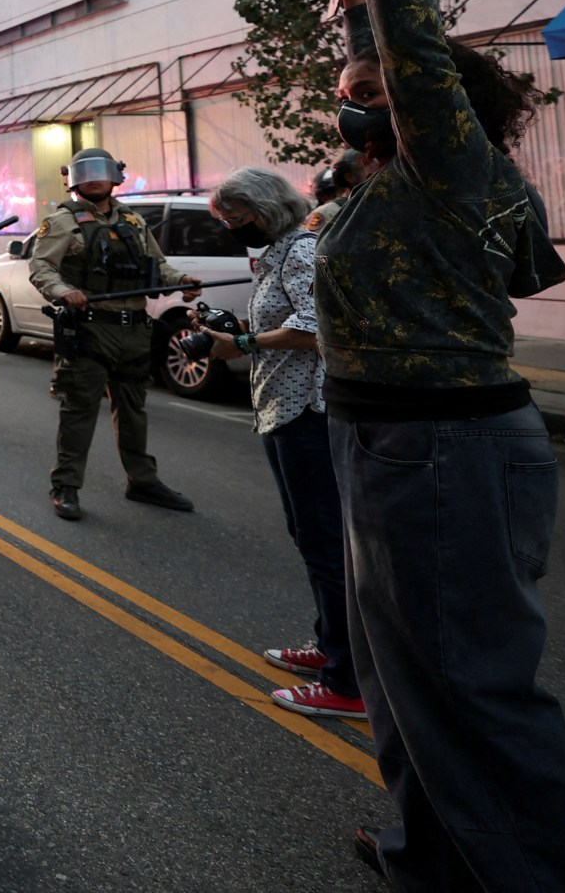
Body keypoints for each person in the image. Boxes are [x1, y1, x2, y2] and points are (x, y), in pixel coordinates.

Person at [321, 0, 565, 886]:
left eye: (366, 88)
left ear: (419, 103)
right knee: (401, 677)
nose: (349, 100)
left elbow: (413, 52)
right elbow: (382, 53)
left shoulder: (447, 164)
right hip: (394, 441)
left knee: (472, 684)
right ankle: (430, 853)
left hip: (444, 447)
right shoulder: (404, 177)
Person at [195, 168, 362, 720]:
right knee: (310, 535)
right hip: (283, 410)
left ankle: (349, 681)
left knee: (326, 542)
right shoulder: (279, 253)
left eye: (234, 217)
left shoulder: (302, 251)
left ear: (264, 209)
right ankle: (330, 646)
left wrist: (242, 342)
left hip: (307, 412)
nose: (230, 227)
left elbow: (315, 328)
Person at [27, 148, 199, 522]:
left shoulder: (134, 222)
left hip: (134, 330)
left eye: (100, 171)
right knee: (79, 410)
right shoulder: (61, 222)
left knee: (134, 409)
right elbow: (41, 268)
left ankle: (143, 480)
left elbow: (158, 267)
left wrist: (182, 281)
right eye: (85, 172)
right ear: (72, 180)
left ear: (115, 176)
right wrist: (63, 291)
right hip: (89, 330)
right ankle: (66, 485)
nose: (93, 179)